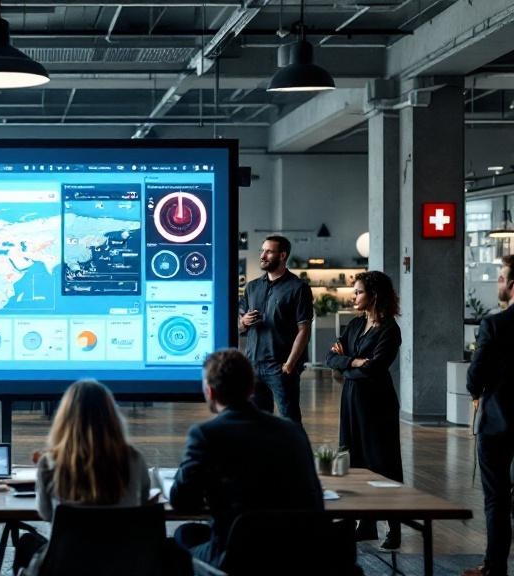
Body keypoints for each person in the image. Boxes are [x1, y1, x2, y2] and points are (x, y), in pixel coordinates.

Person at [13, 379, 188, 576]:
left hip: (67, 566)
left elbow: (46, 514)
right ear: (112, 416)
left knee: (27, 542)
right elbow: (140, 502)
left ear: (64, 418)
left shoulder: (50, 462)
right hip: (124, 566)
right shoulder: (134, 458)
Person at [170, 349, 323, 567]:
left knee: (181, 537)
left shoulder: (205, 434)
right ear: (251, 388)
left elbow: (181, 500)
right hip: (296, 553)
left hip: (237, 556)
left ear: (210, 391)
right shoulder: (293, 431)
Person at [326, 270, 403, 550]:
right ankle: (364, 524)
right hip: (351, 401)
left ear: (374, 295)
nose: (354, 296)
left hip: (377, 404)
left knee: (383, 463)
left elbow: (376, 367)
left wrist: (347, 365)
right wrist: (355, 362)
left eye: (359, 292)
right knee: (353, 460)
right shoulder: (356, 324)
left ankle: (394, 528)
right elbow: (330, 357)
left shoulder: (390, 330)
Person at [464, 255, 514, 576]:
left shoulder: (495, 325)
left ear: (513, 284)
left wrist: (476, 392)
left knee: (497, 498)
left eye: (501, 277)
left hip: (498, 421)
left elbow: (475, 376)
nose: (498, 283)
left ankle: (494, 567)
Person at [238, 235, 313, 424]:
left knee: (290, 420)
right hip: (254, 364)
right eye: (262, 251)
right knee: (257, 421)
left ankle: (294, 446)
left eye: (269, 252)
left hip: (280, 367)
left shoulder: (298, 288)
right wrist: (244, 322)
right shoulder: (252, 287)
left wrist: (290, 364)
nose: (262, 256)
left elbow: (304, 329)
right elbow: (240, 325)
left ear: (282, 255)